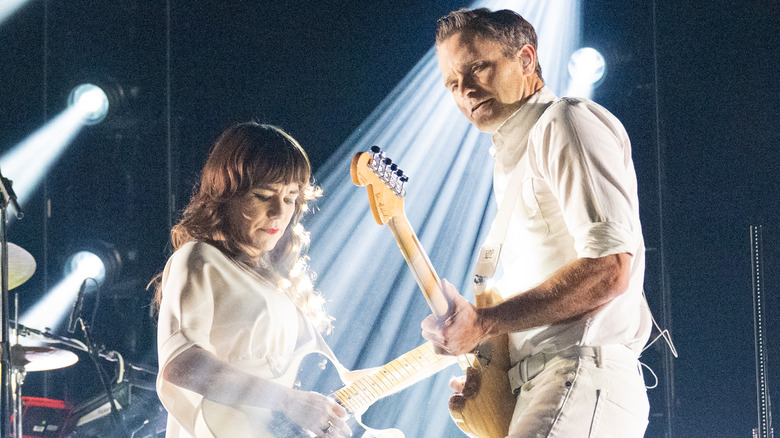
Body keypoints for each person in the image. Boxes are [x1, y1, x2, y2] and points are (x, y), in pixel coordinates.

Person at [421, 8, 652, 437]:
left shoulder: (565, 121)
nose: (466, 91)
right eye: (452, 84)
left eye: (478, 68)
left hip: (582, 372)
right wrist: (493, 369)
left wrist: (485, 323)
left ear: (526, 59)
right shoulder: (512, 156)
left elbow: (609, 268)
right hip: (551, 380)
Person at [153, 122, 353, 438]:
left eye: (290, 198)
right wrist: (288, 401)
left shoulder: (278, 282)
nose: (279, 212)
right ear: (224, 195)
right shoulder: (199, 258)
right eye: (263, 195)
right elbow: (181, 363)